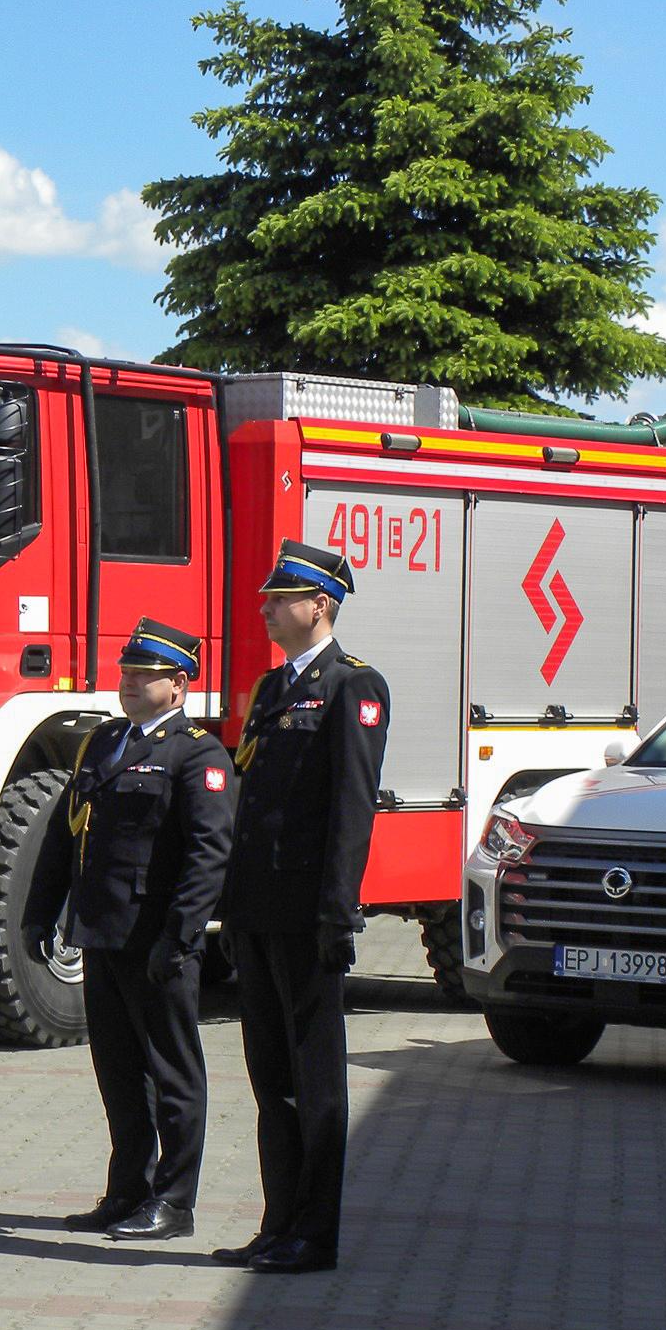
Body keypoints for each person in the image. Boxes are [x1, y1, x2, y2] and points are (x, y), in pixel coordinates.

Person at [31, 618, 236, 1242]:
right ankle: (128, 1191)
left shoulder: (197, 753)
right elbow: (67, 833)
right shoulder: (103, 742)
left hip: (157, 938)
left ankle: (175, 1201)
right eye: (125, 673)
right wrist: (42, 910)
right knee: (119, 1072)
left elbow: (208, 853)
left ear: (178, 685)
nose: (129, 684)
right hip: (102, 931)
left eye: (144, 675)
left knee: (173, 1073)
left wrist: (182, 935)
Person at [216, 539, 389, 1275]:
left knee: (316, 1083)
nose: (266, 607)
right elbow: (251, 807)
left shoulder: (353, 686)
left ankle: (315, 1234)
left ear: (320, 605)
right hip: (257, 910)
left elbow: (352, 810)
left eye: (280, 597)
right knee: (271, 1078)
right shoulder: (271, 690)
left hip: (307, 915)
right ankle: (278, 1222)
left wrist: (337, 913)